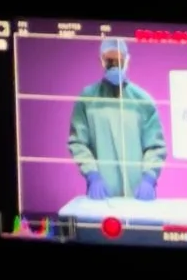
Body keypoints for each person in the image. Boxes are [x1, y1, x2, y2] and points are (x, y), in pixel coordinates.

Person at [67, 38, 167, 201]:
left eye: (118, 60)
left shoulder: (143, 100)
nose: (114, 65)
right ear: (102, 60)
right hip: (102, 198)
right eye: (110, 61)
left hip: (138, 197)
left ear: (127, 60)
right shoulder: (88, 98)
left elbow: (156, 146)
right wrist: (92, 174)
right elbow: (78, 142)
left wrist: (149, 178)